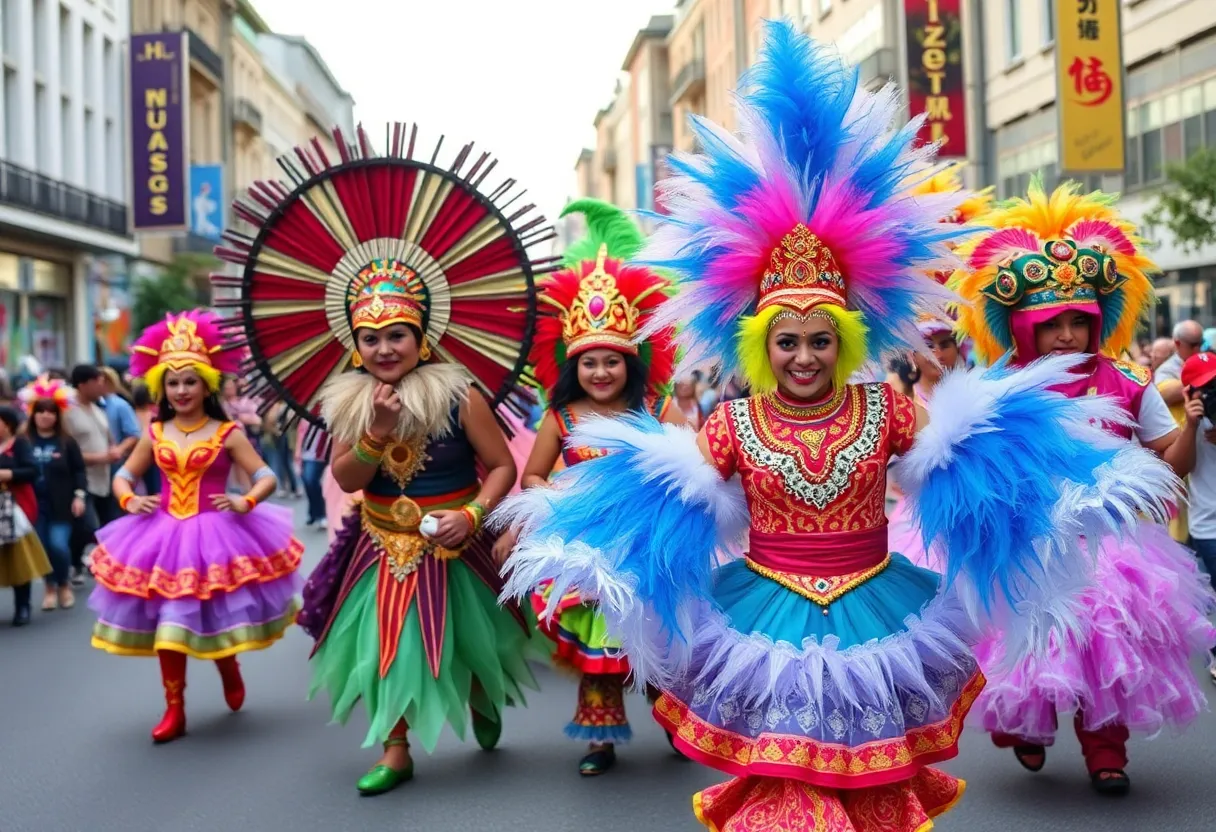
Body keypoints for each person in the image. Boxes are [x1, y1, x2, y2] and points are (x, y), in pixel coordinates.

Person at [499, 23, 1179, 831]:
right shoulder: (732, 423)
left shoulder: (890, 408)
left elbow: (976, 472)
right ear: (760, 345)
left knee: (871, 795)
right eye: (787, 341)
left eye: (821, 340)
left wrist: (1070, 488)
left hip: (879, 616)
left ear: (846, 341)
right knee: (787, 795)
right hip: (766, 621)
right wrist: (560, 525)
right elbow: (653, 503)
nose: (804, 356)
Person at [216, 123, 549, 796]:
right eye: (370, 339)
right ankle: (396, 749)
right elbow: (344, 477)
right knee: (385, 644)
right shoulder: (347, 398)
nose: (383, 348)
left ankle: (483, 694)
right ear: (355, 343)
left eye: (396, 335)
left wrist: (475, 514)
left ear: (421, 337)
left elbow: (502, 468)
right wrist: (373, 433)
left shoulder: (462, 392)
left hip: (455, 538)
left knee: (472, 638)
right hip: (381, 541)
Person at [951, 179, 1216, 795]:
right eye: (1051, 323)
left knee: (1107, 651)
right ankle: (1025, 729)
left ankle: (1106, 752)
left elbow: (1166, 464)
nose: (1066, 334)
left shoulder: (1128, 381)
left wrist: (1189, 429)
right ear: (1024, 328)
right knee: (1034, 650)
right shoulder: (1002, 389)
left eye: (1078, 321)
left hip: (1113, 549)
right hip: (1033, 546)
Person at [507, 199, 683, 775]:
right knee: (599, 648)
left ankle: (676, 721)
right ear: (571, 366)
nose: (601, 372)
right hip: (586, 548)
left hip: (646, 544)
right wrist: (551, 495)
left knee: (658, 641)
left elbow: (692, 461)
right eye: (589, 363)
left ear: (630, 363)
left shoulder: (656, 407)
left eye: (612, 361)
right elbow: (532, 474)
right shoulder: (559, 419)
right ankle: (600, 740)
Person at [88, 311, 302, 742]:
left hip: (218, 533)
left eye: (190, 381)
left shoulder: (228, 433)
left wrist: (247, 500)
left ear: (207, 385)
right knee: (171, 628)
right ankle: (175, 708)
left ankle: (229, 668)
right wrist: (129, 498)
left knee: (213, 617)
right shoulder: (155, 432)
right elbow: (123, 476)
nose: (181, 390)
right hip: (161, 535)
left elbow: (267, 475)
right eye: (172, 382)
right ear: (161, 387)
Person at [17, 377, 86, 611]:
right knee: (43, 546)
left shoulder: (67, 443)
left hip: (62, 504)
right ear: (33, 414)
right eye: (41, 412)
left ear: (57, 416)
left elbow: (79, 471)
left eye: (51, 412)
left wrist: (79, 495)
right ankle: (49, 588)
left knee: (58, 545)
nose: (46, 416)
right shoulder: (23, 442)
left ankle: (64, 584)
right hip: (32, 505)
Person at [1178, 351, 1216, 685]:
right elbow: (1181, 467)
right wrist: (1191, 424)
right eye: (1204, 388)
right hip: (1208, 524)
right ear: (1189, 393)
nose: (1211, 394)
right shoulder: (1186, 422)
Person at [64, 364, 118, 586]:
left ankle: (87, 563)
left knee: (109, 523)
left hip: (104, 477)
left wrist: (114, 450)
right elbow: (68, 451)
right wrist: (101, 457)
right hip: (81, 478)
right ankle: (79, 561)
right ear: (83, 384)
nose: (101, 385)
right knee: (87, 525)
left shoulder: (98, 408)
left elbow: (107, 437)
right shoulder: (68, 411)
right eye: (97, 381)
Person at [0, 404, 51, 627]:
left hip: (15, 510)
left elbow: (32, 471)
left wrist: (8, 474)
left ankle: (23, 606)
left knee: (19, 558)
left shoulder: (20, 445)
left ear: (7, 424)